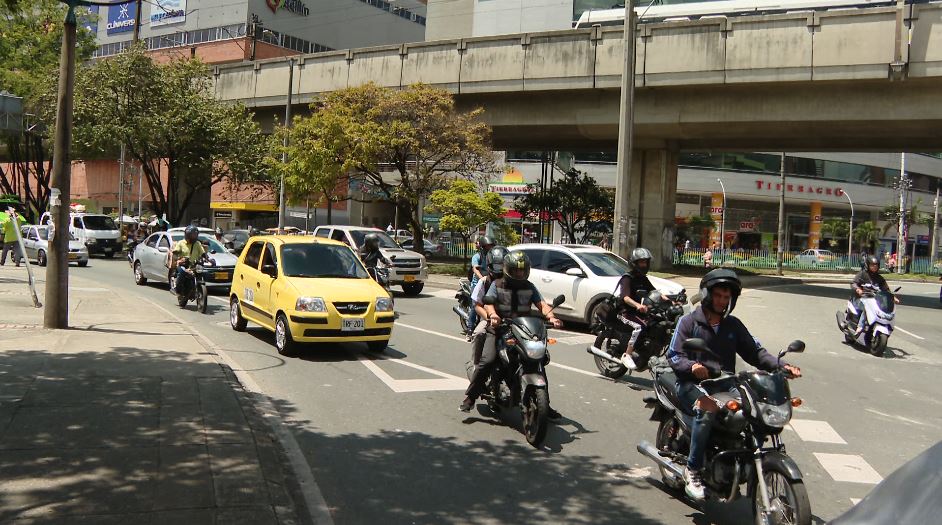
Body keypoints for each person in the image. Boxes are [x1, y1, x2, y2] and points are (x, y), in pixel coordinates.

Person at [667, 269, 802, 501]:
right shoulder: (689, 322)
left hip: (725, 383)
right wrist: (691, 367)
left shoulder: (733, 325)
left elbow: (756, 353)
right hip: (691, 384)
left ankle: (741, 458)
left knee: (753, 407)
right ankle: (693, 469)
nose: (722, 301)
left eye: (726, 297)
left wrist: (781, 367)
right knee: (708, 408)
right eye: (718, 296)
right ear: (707, 295)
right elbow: (674, 355)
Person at [460, 250, 563, 419]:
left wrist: (551, 316)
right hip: (500, 328)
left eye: (522, 270)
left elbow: (542, 304)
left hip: (523, 329)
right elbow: (488, 303)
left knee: (538, 361)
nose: (519, 273)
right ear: (508, 269)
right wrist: (493, 315)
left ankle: (546, 405)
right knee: (488, 361)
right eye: (516, 270)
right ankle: (470, 397)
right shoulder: (497, 284)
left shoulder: (529, 286)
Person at [611, 247, 661, 370]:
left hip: (638, 313)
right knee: (639, 327)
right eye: (641, 262)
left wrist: (672, 300)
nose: (644, 265)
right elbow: (625, 298)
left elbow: (654, 291)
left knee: (655, 323)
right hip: (625, 313)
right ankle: (627, 354)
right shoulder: (627, 278)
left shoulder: (643, 278)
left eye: (645, 262)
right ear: (634, 263)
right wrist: (638, 305)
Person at [467, 246, 509, 367]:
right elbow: (477, 305)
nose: (500, 269)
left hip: (511, 320)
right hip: (490, 320)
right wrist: (489, 318)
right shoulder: (485, 281)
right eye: (497, 266)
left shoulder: (513, 281)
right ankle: (475, 365)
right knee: (479, 333)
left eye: (503, 265)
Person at [847, 255, 899, 326]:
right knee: (866, 308)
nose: (874, 266)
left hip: (875, 298)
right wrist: (858, 289)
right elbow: (854, 283)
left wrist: (892, 297)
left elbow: (886, 289)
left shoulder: (880, 278)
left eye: (876, 265)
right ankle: (860, 326)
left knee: (880, 309)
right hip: (863, 297)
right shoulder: (862, 274)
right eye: (872, 265)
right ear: (867, 265)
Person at [169, 225, 207, 305]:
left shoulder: (197, 244)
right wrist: (178, 257)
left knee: (201, 272)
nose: (195, 236)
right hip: (183, 264)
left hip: (194, 265)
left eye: (196, 235)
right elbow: (175, 253)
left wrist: (208, 258)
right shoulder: (181, 243)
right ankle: (178, 290)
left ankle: (196, 290)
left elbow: (203, 253)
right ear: (188, 235)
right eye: (193, 235)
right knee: (182, 272)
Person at [465, 235, 494, 338]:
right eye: (487, 246)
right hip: (477, 284)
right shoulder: (477, 256)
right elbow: (475, 269)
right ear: (482, 246)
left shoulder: (493, 256)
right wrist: (482, 278)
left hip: (490, 283)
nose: (489, 248)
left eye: (491, 246)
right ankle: (469, 329)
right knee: (475, 306)